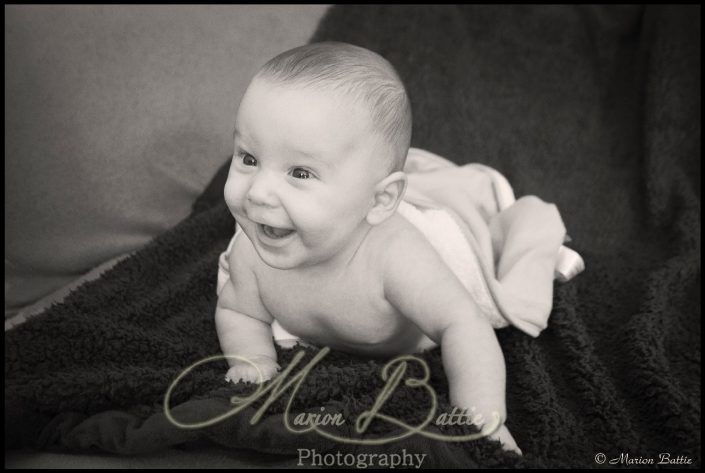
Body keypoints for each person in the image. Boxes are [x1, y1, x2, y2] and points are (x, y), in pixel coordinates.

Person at [215, 41, 578, 455]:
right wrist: (252, 359)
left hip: (421, 257)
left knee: (479, 239)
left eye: (300, 171)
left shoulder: (395, 257)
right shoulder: (252, 250)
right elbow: (237, 310)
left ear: (380, 200)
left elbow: (462, 324)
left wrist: (481, 421)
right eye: (248, 158)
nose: (259, 193)